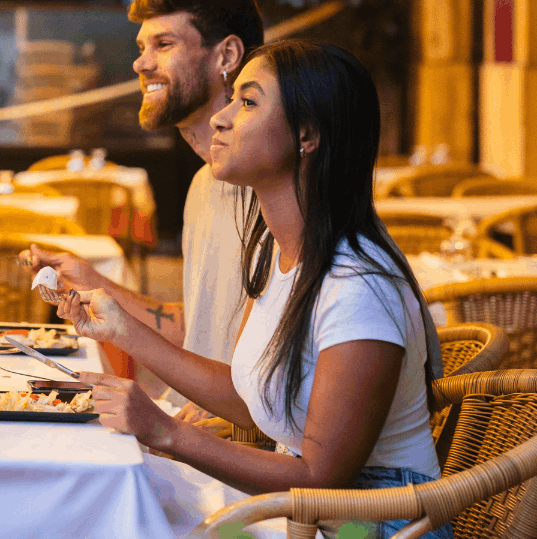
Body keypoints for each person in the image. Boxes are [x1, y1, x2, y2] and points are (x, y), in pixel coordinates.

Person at [62, 40, 450, 539]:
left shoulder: (358, 286)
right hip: (303, 512)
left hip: (373, 521)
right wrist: (122, 329)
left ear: (306, 135)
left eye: (247, 103)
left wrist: (164, 430)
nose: (221, 119)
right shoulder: (275, 249)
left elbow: (321, 476)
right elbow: (252, 399)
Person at [22, 0, 263, 419]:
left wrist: (170, 434)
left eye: (164, 45)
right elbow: (197, 325)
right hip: (197, 424)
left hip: (232, 446)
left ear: (226, 55)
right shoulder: (205, 186)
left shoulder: (267, 190)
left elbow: (266, 395)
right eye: (141, 48)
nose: (140, 64)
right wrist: (94, 281)